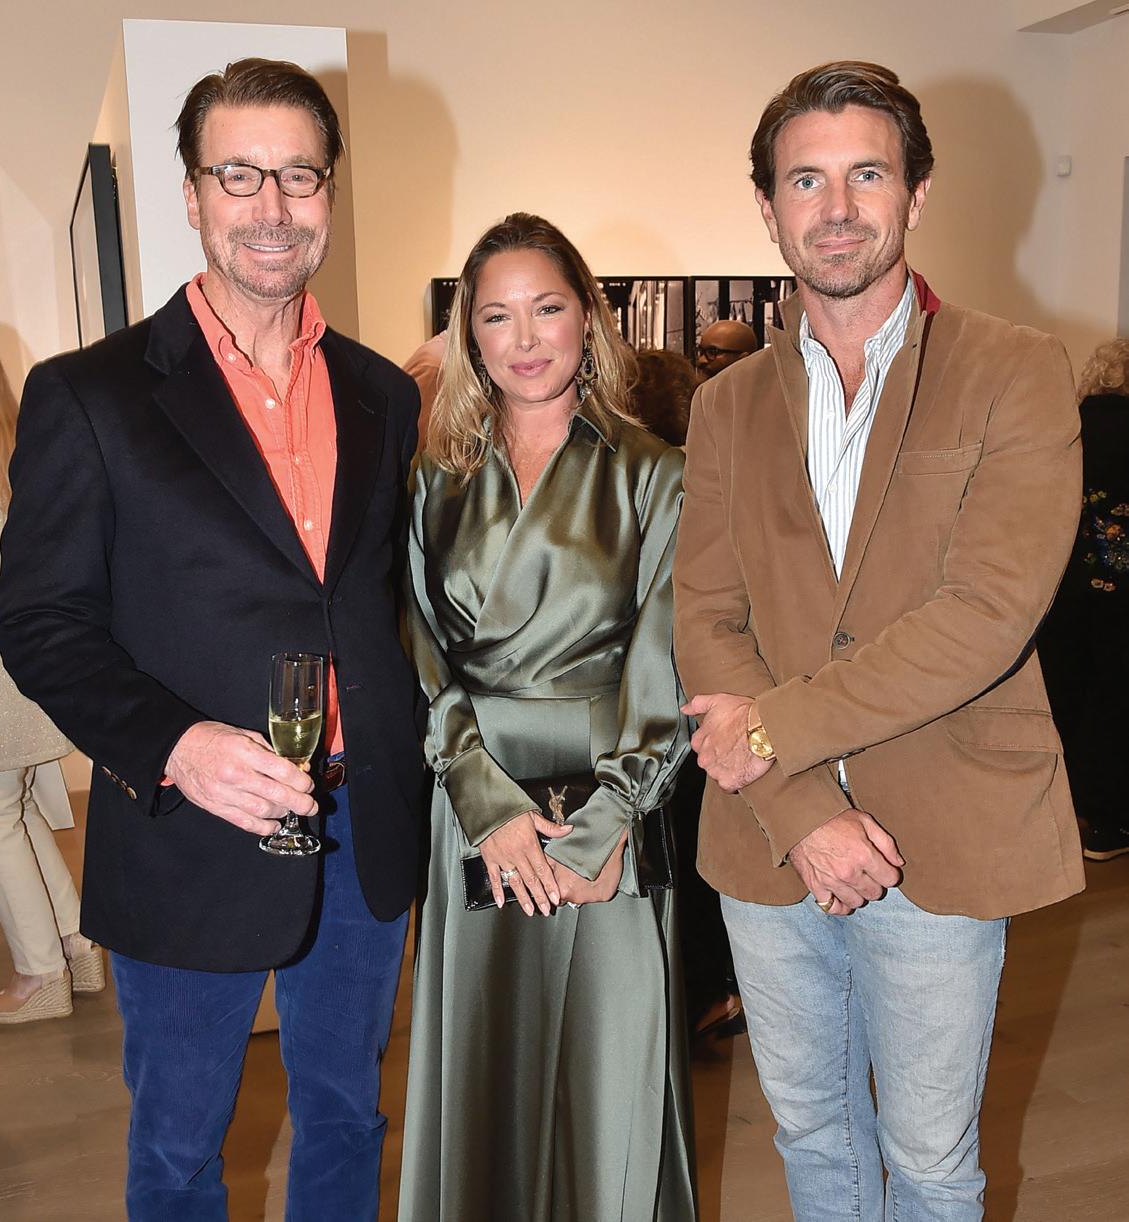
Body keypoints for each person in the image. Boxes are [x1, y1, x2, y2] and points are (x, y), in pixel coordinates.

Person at [0, 59, 423, 1221]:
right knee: (181, 1146)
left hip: (360, 828)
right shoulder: (91, 394)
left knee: (348, 1113)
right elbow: (38, 620)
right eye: (238, 174)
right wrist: (177, 745)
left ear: (328, 192)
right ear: (190, 194)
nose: (271, 206)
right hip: (187, 830)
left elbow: (380, 602)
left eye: (297, 174)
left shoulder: (382, 394)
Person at [673, 61, 1084, 1221]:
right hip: (766, 837)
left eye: (866, 174)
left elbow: (983, 616)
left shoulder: (1012, 370)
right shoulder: (724, 406)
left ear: (914, 193)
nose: (837, 207)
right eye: (805, 180)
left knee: (930, 1160)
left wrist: (767, 732)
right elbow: (704, 616)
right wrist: (799, 805)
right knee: (810, 1133)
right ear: (768, 208)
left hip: (939, 830)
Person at [398, 212, 697, 1221]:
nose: (524, 338)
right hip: (475, 801)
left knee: (611, 1077)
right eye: (496, 316)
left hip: (607, 803)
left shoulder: (654, 471)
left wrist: (609, 825)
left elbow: (667, 666)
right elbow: (420, 653)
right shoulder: (433, 479)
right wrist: (483, 805)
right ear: (467, 337)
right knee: (485, 1070)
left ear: (588, 320)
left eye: (546, 308)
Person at [0, 320, 103, 1025]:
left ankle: (40, 975)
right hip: (9, 671)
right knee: (11, 813)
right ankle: (75, 946)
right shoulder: (1, 449)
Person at [629, 345, 745, 1044]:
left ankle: (694, 992)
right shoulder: (711, 474)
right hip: (713, 693)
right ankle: (715, 988)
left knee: (673, 854)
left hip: (663, 700)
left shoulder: (648, 482)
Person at [1037, 338, 1129, 861]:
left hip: (1064, 588)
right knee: (1115, 703)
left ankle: (1063, 811)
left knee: (1065, 693)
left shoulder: (1067, 423)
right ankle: (1110, 823)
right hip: (1121, 597)